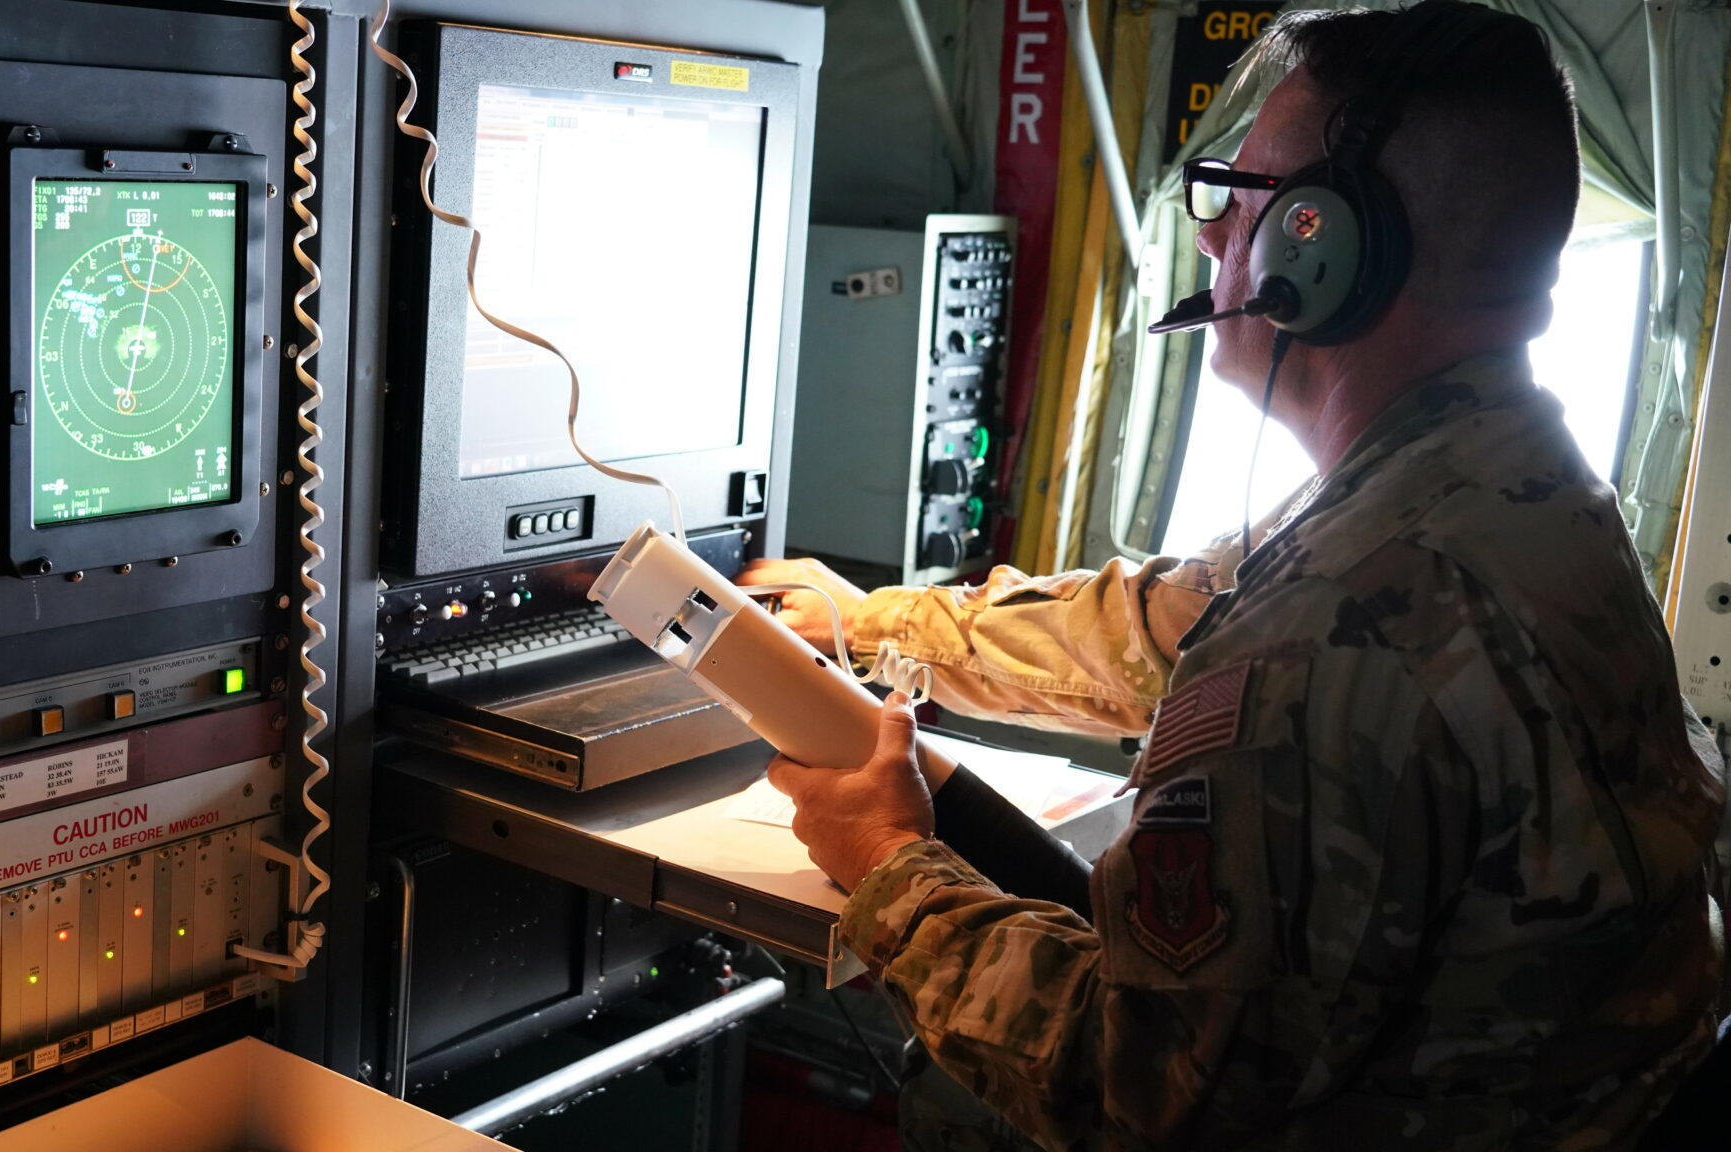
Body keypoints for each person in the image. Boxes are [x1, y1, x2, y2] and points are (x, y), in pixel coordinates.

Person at [739, 4, 1726, 1146]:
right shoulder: (1507, 482)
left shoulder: (1340, 622)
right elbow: (1173, 619)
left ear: (1321, 251)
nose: (1212, 242)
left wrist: (886, 865)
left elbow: (1128, 1094)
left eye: (1241, 199)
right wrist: (876, 625)